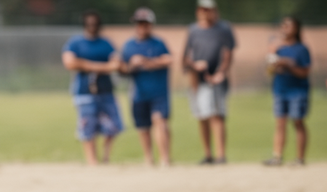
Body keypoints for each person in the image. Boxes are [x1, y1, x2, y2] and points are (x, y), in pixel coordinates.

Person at [62, 10, 123, 165]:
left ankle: (105, 157)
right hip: (84, 92)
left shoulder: (106, 43)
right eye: (89, 23)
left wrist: (85, 64)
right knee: (88, 126)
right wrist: (102, 66)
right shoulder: (75, 43)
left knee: (114, 126)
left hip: (106, 91)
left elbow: (116, 63)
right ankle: (92, 161)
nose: (92, 26)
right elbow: (70, 62)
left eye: (95, 24)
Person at [182, 0, 235, 165]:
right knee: (202, 116)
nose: (206, 13)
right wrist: (194, 64)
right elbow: (186, 57)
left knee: (216, 116)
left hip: (215, 79)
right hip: (197, 80)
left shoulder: (224, 28)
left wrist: (221, 73)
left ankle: (221, 155)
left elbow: (228, 53)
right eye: (203, 9)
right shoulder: (193, 30)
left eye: (209, 10)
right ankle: (208, 155)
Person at [120, 8, 172, 166]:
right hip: (138, 93)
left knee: (159, 121)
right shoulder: (129, 45)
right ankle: (148, 158)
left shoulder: (158, 43)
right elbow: (122, 69)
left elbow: (168, 59)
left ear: (150, 25)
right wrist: (130, 66)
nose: (141, 27)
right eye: (138, 23)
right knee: (143, 127)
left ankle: (165, 158)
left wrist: (146, 61)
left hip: (158, 92)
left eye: (144, 23)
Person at [263, 16, 311, 166]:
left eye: (289, 26)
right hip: (280, 89)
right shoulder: (278, 48)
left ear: (296, 29)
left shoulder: (301, 49)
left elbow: (305, 72)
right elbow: (269, 71)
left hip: (297, 90)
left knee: (297, 121)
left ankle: (300, 158)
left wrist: (288, 64)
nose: (286, 29)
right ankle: (277, 157)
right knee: (280, 123)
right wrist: (273, 59)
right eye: (283, 25)